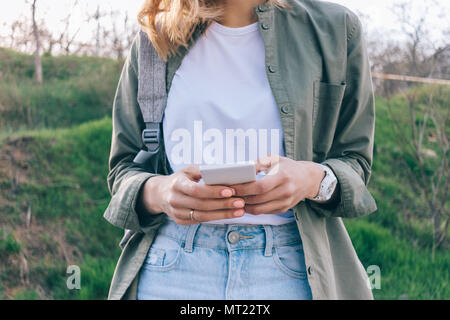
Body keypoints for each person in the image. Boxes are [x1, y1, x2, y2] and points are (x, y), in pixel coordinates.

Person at [104, 0, 378, 300]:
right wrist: (161, 192)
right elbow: (123, 169)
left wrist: (311, 180)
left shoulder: (336, 29)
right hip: (170, 268)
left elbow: (356, 161)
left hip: (291, 269)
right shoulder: (156, 35)